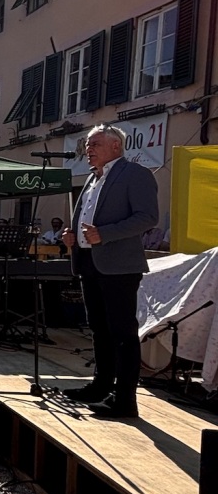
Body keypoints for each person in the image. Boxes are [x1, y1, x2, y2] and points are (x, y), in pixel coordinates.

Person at [62, 124, 158, 419]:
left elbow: (147, 217)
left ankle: (125, 400)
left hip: (119, 266)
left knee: (122, 333)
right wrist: (73, 235)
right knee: (99, 329)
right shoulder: (93, 178)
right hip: (89, 262)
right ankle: (100, 386)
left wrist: (105, 233)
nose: (88, 150)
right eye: (88, 145)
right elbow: (87, 219)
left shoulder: (135, 174)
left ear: (116, 146)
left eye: (95, 144)